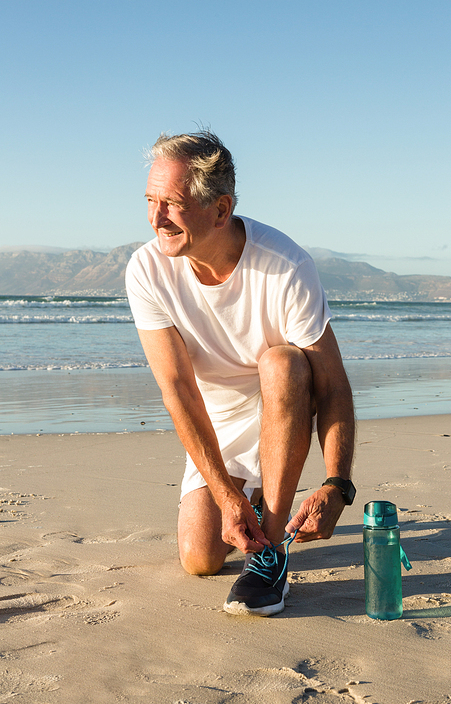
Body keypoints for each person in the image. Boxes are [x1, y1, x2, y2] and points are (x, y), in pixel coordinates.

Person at [125, 130, 356, 617]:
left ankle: (271, 551)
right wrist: (228, 497)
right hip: (218, 417)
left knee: (283, 360)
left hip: (285, 399)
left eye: (172, 203)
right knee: (200, 558)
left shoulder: (285, 266)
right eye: (150, 200)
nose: (155, 217)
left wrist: (338, 484)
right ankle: (251, 493)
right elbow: (179, 391)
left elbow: (333, 386)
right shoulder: (146, 270)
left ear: (220, 209)